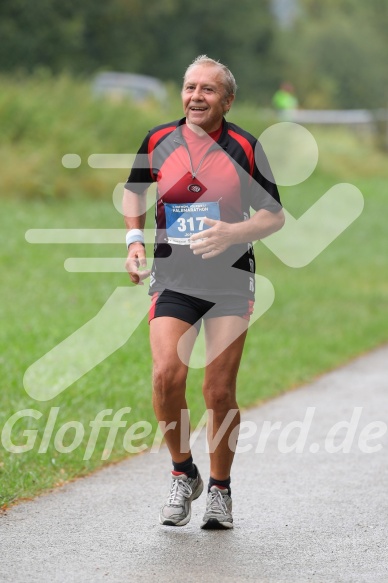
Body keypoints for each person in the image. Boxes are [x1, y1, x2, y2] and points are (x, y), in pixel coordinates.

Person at [123, 55, 285, 529]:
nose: (196, 96)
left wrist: (233, 233)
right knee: (166, 376)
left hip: (231, 283)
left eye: (208, 90)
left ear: (227, 100)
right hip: (174, 277)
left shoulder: (245, 147)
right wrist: (134, 241)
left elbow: (273, 215)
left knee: (218, 391)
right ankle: (182, 473)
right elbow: (134, 191)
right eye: (190, 87)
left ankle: (220, 490)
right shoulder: (158, 140)